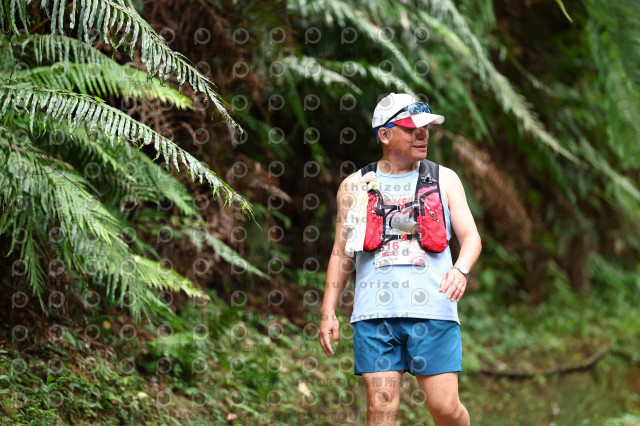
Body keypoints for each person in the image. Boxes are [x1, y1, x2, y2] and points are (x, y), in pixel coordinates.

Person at [319, 93, 482, 426]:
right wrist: (328, 312)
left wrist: (461, 269)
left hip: (433, 311)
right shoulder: (354, 185)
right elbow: (341, 252)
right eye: (411, 129)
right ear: (384, 134)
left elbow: (471, 238)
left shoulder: (445, 179)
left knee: (445, 408)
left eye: (426, 128)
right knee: (380, 411)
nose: (421, 135)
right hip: (374, 315)